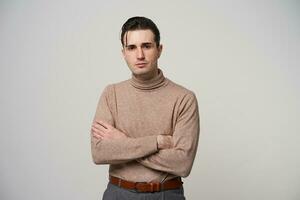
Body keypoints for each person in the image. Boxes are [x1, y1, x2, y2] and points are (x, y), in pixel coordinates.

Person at [90, 16, 200, 200]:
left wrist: (122, 142)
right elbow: (99, 153)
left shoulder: (184, 98)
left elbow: (182, 164)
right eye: (131, 47)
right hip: (118, 194)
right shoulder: (111, 94)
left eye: (146, 46)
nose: (139, 55)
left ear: (159, 49)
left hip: (166, 194)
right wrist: (156, 142)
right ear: (123, 53)